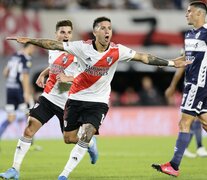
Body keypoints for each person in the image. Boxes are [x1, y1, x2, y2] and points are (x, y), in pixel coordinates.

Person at [6, 16, 190, 180]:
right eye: (103, 28)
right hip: (59, 98)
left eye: (109, 28)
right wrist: (35, 51)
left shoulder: (104, 50)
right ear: (95, 32)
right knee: (43, 132)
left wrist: (172, 63)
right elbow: (53, 51)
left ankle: (67, 170)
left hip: (89, 101)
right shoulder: (74, 48)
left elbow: (143, 57)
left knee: (80, 136)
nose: (107, 31)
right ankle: (14, 169)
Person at [0, 20, 98, 180]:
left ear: (71, 35)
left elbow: (88, 77)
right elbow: (55, 64)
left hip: (67, 103)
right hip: (48, 97)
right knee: (29, 129)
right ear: (56, 34)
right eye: (62, 32)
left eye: (68, 32)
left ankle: (91, 143)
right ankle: (14, 169)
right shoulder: (52, 49)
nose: (65, 35)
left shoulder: (77, 52)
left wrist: (69, 78)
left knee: (70, 139)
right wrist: (44, 73)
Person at [151, 1, 207, 177]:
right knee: (204, 121)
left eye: (189, 11)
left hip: (197, 85)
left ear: (199, 14)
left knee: (184, 123)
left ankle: (174, 165)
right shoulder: (190, 34)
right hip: (193, 85)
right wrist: (169, 63)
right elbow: (186, 57)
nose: (186, 14)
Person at [165, 67, 207, 158]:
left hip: (202, 87)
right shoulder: (192, 52)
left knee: (198, 119)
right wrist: (172, 86)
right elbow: (181, 66)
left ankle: (188, 148)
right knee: (193, 119)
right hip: (194, 86)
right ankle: (199, 147)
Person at [0, 43, 35, 140]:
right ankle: (29, 143)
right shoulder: (26, 58)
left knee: (10, 118)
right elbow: (25, 76)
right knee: (29, 116)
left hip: (10, 89)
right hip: (19, 90)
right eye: (33, 48)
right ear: (29, 47)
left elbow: (5, 72)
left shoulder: (14, 56)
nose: (34, 50)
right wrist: (26, 93)